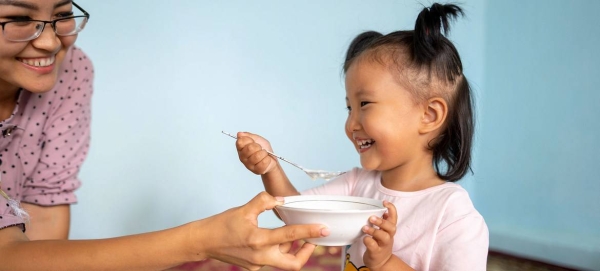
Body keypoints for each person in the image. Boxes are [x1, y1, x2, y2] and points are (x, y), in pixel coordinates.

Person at [0, 1, 329, 270]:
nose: (50, 41)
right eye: (17, 19)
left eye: (61, 16)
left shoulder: (67, 71)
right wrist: (199, 241)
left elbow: (42, 221)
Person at [235, 3, 489, 271]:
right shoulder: (357, 185)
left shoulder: (453, 214)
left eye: (364, 104)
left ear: (429, 115)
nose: (351, 124)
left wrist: (387, 263)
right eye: (349, 108)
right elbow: (296, 213)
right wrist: (270, 167)